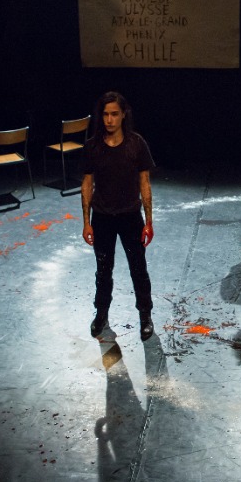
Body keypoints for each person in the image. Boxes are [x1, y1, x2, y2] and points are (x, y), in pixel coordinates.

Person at [82, 92, 156, 341]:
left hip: (130, 216)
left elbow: (145, 183)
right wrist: (86, 223)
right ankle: (101, 313)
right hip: (102, 217)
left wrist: (149, 222)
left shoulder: (136, 144)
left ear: (123, 114)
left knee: (138, 268)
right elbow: (87, 184)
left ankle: (145, 315)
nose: (109, 119)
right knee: (103, 270)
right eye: (105, 114)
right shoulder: (93, 146)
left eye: (114, 114)